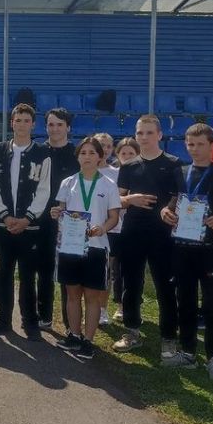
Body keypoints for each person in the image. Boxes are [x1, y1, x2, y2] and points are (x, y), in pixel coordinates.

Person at [160, 123, 213, 380]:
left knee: (212, 305)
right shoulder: (180, 172)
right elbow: (172, 204)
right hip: (183, 248)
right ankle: (188, 353)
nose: (194, 149)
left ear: (212, 145)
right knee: (185, 302)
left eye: (200, 144)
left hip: (210, 249)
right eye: (190, 144)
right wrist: (165, 212)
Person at [113, 114, 183, 356]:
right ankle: (131, 331)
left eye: (149, 132)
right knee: (131, 284)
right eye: (140, 133)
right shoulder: (129, 166)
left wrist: (169, 208)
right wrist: (130, 199)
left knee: (165, 286)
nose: (144, 137)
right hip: (133, 232)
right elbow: (117, 199)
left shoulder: (173, 163)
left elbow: (179, 195)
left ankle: (168, 337)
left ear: (160, 135)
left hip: (163, 234)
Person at [0, 104, 51, 338]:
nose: (21, 124)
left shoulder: (42, 153)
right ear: (11, 123)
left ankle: (30, 322)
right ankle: (3, 319)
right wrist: (5, 215)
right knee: (3, 271)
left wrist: (27, 218)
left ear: (33, 124)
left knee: (27, 275)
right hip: (4, 224)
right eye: (18, 120)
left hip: (29, 226)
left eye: (26, 120)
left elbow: (44, 189)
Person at [50, 137, 121, 360]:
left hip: (96, 247)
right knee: (72, 295)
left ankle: (88, 341)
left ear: (100, 157)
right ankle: (74, 335)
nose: (87, 157)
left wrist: (103, 228)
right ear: (78, 156)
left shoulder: (108, 184)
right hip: (70, 246)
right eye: (83, 153)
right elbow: (61, 211)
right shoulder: (68, 182)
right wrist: (55, 213)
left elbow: (114, 217)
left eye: (92, 153)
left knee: (92, 297)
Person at [33, 108, 78, 328]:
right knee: (44, 267)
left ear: (68, 127)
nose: (55, 129)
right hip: (42, 217)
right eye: (51, 124)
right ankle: (44, 315)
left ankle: (70, 323)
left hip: (70, 218)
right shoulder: (38, 152)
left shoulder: (78, 153)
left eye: (60, 124)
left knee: (68, 271)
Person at [108, 136, 140, 323]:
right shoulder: (112, 175)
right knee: (116, 270)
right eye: (124, 153)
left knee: (132, 270)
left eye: (131, 153)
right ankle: (119, 305)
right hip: (114, 228)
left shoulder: (142, 173)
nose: (127, 156)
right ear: (117, 154)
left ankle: (133, 305)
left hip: (134, 228)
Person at [93, 131, 117, 326]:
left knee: (105, 271)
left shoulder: (117, 173)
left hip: (111, 229)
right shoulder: (83, 170)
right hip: (87, 229)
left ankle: (102, 309)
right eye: (101, 145)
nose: (105, 149)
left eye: (109, 146)